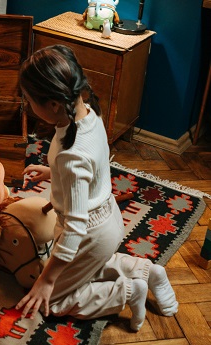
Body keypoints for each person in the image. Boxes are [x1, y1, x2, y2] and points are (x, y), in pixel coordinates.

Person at [15, 45, 178, 331]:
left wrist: (47, 281)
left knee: (53, 300)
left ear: (53, 104)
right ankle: (148, 271)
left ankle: (127, 292)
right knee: (85, 266)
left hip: (88, 232)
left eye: (28, 99)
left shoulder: (70, 155)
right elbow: (89, 165)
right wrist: (55, 173)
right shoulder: (89, 113)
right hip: (108, 218)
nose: (27, 106)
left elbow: (75, 227)